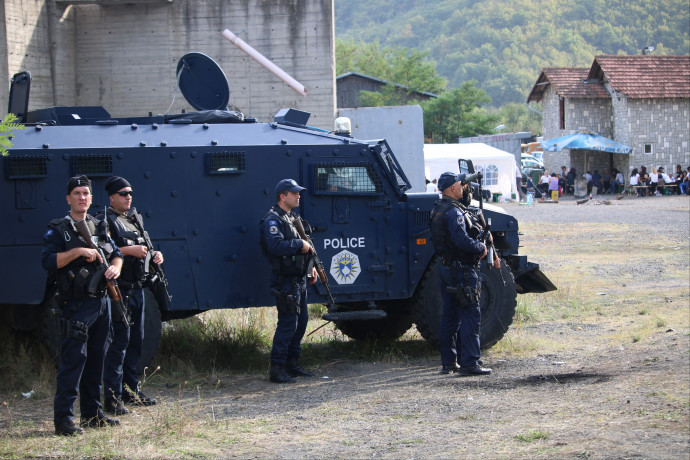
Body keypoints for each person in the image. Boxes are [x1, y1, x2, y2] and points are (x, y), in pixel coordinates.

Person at [42, 176, 123, 436]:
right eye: (76, 193)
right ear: (68, 198)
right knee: (73, 361)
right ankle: (64, 419)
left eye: (86, 193)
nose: (82, 197)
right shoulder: (58, 228)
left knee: (98, 359)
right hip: (75, 305)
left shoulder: (98, 225)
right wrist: (78, 252)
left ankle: (92, 414)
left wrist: (114, 269)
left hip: (100, 302)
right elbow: (49, 261)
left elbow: (116, 254)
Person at [97, 176, 162, 415]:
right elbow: (104, 252)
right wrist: (129, 251)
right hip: (119, 291)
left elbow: (146, 246)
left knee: (136, 342)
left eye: (130, 193)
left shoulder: (134, 220)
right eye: (123, 193)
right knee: (118, 344)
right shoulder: (105, 221)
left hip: (137, 289)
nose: (128, 197)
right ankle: (113, 397)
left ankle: (131, 391)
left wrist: (155, 255)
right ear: (112, 197)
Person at [428, 172, 496, 377]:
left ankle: (449, 362)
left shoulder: (438, 209)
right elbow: (462, 240)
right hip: (462, 271)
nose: (464, 188)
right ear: (453, 188)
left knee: (450, 317)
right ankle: (469, 362)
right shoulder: (453, 212)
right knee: (470, 315)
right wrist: (480, 248)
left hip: (447, 268)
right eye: (461, 184)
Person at [259, 179, 318, 383]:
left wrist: (311, 269)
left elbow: (307, 247)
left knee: (300, 323)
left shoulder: (292, 217)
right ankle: (277, 369)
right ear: (282, 196)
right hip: (286, 281)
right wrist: (298, 243)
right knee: (287, 324)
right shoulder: (273, 220)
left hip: (299, 279)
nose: (298, 195)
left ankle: (292, 364)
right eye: (294, 193)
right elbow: (275, 246)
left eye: (299, 192)